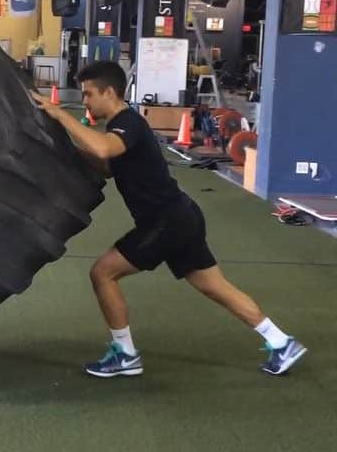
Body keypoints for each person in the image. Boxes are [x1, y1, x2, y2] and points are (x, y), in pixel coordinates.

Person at [32, 61, 306, 378]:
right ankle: (280, 341)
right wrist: (65, 150)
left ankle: (125, 354)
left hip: (166, 221)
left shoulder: (128, 123)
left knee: (102, 274)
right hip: (181, 216)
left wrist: (59, 115)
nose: (86, 102)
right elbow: (107, 166)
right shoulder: (120, 129)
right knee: (214, 287)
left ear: (110, 92)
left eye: (89, 94)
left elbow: (105, 150)